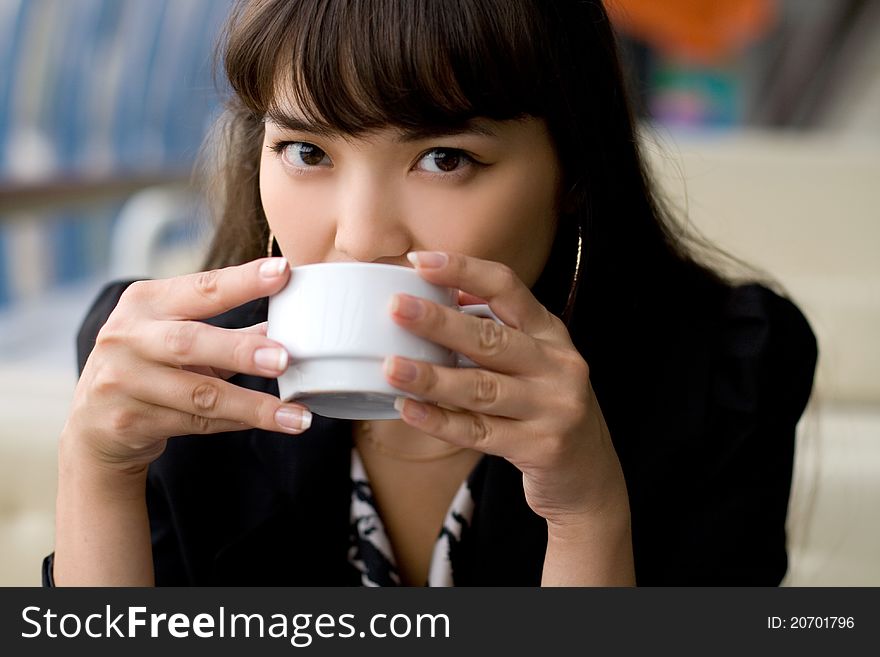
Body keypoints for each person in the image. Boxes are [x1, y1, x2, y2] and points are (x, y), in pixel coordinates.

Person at [47, 0, 816, 587]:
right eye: (307, 150)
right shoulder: (167, 363)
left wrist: (585, 516)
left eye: (445, 158)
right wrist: (97, 475)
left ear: (575, 173)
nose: (360, 236)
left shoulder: (726, 372)